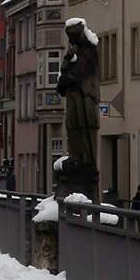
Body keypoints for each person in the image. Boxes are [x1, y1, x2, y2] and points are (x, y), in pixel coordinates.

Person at [55, 18, 100, 168]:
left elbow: (77, 73)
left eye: (73, 37)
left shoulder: (89, 52)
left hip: (85, 96)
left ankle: (86, 159)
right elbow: (66, 71)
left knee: (83, 126)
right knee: (72, 125)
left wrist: (63, 80)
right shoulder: (74, 52)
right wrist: (67, 60)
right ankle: (75, 156)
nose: (71, 41)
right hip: (73, 96)